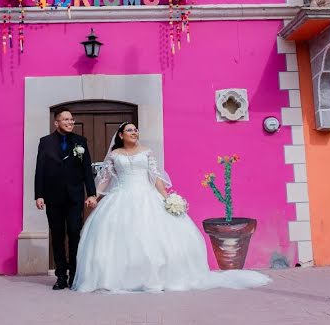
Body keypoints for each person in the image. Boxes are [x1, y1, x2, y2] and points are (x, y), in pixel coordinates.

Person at [72, 122, 271, 293]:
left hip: (146, 197)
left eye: (136, 130)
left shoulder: (146, 152)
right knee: (119, 239)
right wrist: (94, 196)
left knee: (152, 239)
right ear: (121, 135)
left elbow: (156, 178)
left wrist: (167, 198)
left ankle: (155, 278)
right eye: (130, 130)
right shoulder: (115, 155)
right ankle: (117, 279)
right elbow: (105, 180)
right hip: (120, 197)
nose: (134, 133)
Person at [34, 110, 97, 290]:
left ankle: (74, 274)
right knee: (58, 235)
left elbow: (87, 170)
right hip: (53, 196)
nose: (70, 122)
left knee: (75, 233)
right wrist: (39, 195)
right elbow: (40, 169)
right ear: (56, 122)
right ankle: (61, 275)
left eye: (71, 119)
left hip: (74, 196)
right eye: (66, 119)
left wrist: (91, 193)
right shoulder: (45, 142)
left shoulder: (80, 142)